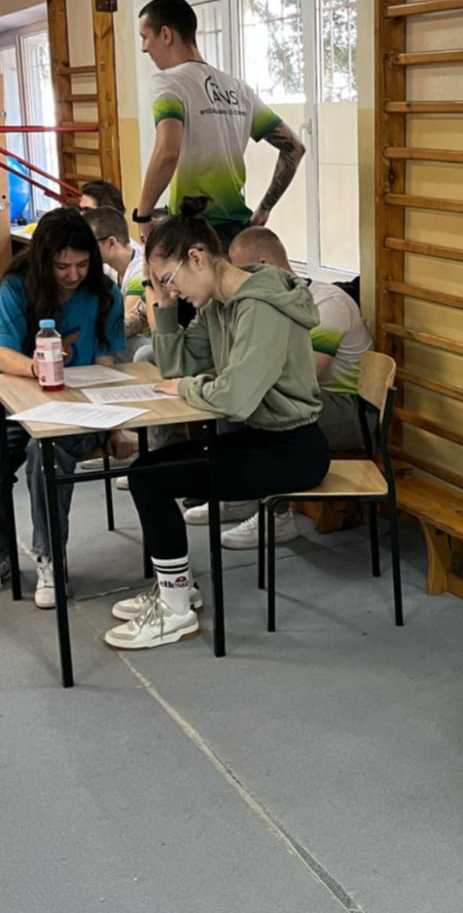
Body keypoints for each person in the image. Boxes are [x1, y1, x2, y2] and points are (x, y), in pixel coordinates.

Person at [106, 203, 330, 651]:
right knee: (148, 470)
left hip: (293, 450)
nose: (170, 290)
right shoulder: (219, 306)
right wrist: (163, 305)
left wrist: (189, 387)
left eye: (168, 280)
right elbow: (175, 365)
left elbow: (236, 397)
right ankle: (176, 590)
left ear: (197, 258)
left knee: (149, 478)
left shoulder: (260, 307)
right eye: (158, 283)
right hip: (260, 439)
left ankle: (175, 611)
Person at [0, 207, 131, 609]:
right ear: (43, 261)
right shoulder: (17, 287)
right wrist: (36, 368)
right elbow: (1, 353)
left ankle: (50, 559)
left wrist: (115, 426)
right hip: (26, 403)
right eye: (62, 267)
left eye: (82, 265)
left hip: (83, 408)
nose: (73, 275)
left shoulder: (105, 294)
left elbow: (107, 364)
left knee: (45, 460)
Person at [182, 225, 372, 549]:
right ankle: (243, 498)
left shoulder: (327, 304)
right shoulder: (256, 303)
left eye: (239, 272)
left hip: (350, 409)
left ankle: (277, 516)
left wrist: (234, 379)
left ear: (264, 266)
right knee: (233, 400)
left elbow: (302, 378)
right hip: (317, 400)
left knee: (251, 404)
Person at [131, 0, 306, 249]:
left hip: (195, 235)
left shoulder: (169, 82)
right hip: (237, 234)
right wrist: (264, 209)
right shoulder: (238, 89)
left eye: (145, 37)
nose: (144, 48)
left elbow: (167, 152)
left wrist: (142, 215)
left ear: (166, 35)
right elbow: (295, 148)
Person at [82, 205, 150, 362]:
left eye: (89, 244)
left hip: (145, 340)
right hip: (130, 341)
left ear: (111, 243)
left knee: (110, 345)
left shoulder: (140, 270)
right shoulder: (108, 268)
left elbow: (125, 321)